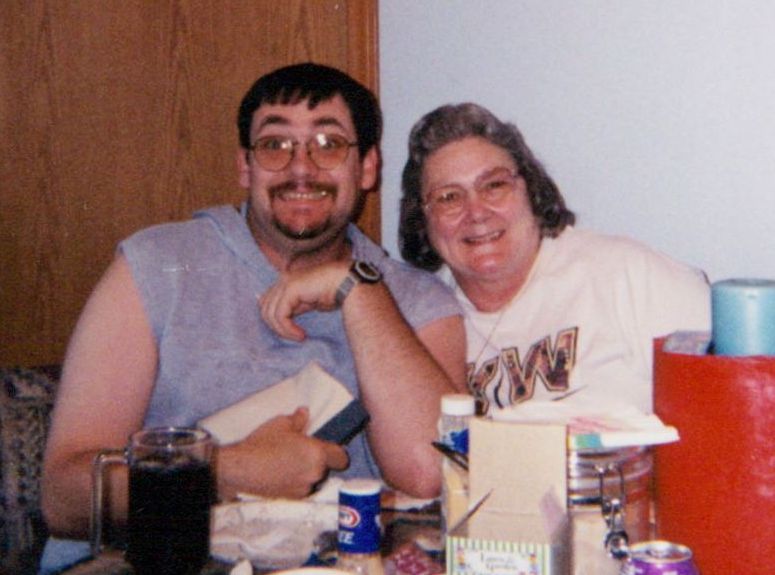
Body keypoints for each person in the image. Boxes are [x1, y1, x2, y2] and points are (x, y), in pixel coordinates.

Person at [40, 63, 466, 572]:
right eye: (275, 144)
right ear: (245, 166)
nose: (301, 167)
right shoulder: (158, 264)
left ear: (368, 168)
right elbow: (63, 496)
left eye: (329, 143)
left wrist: (359, 287)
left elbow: (430, 474)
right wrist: (227, 470)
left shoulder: (419, 301)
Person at [399, 102, 709, 416]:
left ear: (531, 190)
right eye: (448, 197)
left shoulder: (629, 276)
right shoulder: (426, 323)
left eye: (494, 185)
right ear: (422, 220)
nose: (476, 212)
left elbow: (722, 405)